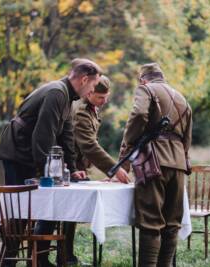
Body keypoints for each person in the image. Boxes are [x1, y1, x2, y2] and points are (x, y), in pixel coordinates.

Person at [0, 59, 102, 267]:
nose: (92, 89)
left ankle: (39, 260)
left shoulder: (68, 99)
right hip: (17, 153)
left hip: (29, 153)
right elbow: (42, 137)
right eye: (93, 84)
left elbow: (67, 138)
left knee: (53, 203)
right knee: (20, 214)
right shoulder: (57, 93)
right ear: (84, 79)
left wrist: (73, 169)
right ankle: (8, 262)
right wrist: (49, 173)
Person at [119, 63, 192, 267]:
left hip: (152, 162)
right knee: (172, 224)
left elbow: (139, 115)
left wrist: (128, 147)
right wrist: (181, 157)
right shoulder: (182, 98)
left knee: (151, 222)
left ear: (143, 80)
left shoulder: (146, 89)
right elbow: (187, 138)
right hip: (178, 164)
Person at [63, 75, 130, 265]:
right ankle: (55, 255)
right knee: (64, 211)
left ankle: (66, 255)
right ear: (90, 92)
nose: (105, 101)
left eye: (106, 96)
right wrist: (114, 169)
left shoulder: (92, 108)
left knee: (71, 212)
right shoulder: (82, 111)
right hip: (70, 166)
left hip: (79, 166)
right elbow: (89, 146)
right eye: (101, 97)